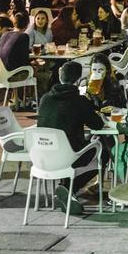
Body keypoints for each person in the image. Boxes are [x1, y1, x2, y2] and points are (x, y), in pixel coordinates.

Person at [37, 61, 106, 212]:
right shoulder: (79, 101)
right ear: (78, 80)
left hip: (42, 155)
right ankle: (68, 188)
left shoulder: (45, 99)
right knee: (104, 150)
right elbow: (97, 125)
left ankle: (67, 191)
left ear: (60, 77)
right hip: (69, 156)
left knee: (77, 142)